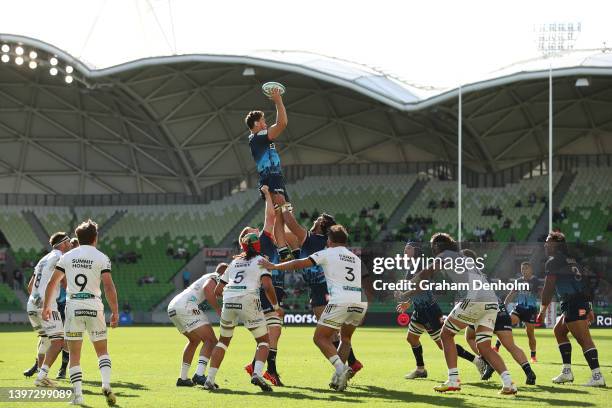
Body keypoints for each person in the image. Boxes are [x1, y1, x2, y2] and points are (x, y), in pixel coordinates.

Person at [259, 224, 370, 392]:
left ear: (329, 240)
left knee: (320, 338)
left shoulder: (327, 252)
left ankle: (342, 369)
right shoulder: (355, 257)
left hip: (341, 300)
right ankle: (338, 377)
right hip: (360, 300)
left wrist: (274, 266)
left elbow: (299, 263)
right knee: (345, 339)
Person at [402, 233, 517, 395]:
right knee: (484, 347)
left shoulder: (444, 255)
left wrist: (406, 289)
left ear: (437, 246)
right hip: (491, 301)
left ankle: (453, 380)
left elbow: (427, 272)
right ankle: (508, 383)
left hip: (474, 299)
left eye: (433, 246)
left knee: (445, 335)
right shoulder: (462, 257)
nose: (433, 249)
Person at [42, 220, 119, 406]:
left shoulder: (67, 257)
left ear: (78, 237)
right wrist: (115, 311)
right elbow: (108, 286)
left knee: (74, 356)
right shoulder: (102, 257)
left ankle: (78, 396)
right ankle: (106, 384)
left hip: (73, 307)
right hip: (94, 306)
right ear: (95, 238)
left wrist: (46, 306)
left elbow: (53, 283)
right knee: (102, 351)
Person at [281, 203, 364, 376]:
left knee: (326, 335)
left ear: (321, 225)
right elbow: (289, 234)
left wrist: (283, 206)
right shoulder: (319, 243)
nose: (315, 220)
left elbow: (291, 226)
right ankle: (352, 363)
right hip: (328, 288)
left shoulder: (310, 238)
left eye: (318, 220)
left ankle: (346, 367)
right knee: (335, 334)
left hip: (321, 289)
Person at [203, 233, 283, 392]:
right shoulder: (262, 260)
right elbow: (267, 286)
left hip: (229, 300)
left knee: (223, 341)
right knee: (264, 341)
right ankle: (257, 374)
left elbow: (218, 290)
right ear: (258, 245)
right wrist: (276, 307)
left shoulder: (234, 262)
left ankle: (209, 379)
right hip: (248, 300)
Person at [396, 243, 487, 380]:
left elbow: (423, 286)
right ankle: (420, 369)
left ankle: (477, 361)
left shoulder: (420, 264)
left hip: (430, 310)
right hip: (420, 309)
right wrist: (408, 303)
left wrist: (404, 295)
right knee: (412, 338)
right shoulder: (412, 266)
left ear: (417, 250)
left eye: (409, 247)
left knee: (443, 344)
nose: (405, 249)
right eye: (405, 247)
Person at [537, 231, 605, 387]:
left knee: (584, 340)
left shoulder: (553, 262)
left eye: (548, 241)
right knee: (559, 331)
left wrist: (542, 311)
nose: (545, 244)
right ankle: (567, 372)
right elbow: (585, 285)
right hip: (577, 302)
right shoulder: (573, 261)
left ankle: (597, 376)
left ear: (557, 244)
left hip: (573, 303)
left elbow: (548, 289)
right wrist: (589, 307)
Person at [24, 232, 72, 386]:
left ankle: (40, 373)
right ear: (63, 243)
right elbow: (65, 283)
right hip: (47, 306)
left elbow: (30, 286)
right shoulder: (61, 258)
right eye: (69, 242)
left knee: (45, 340)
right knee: (58, 342)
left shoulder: (43, 259)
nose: (71, 245)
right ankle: (42, 377)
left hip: (32, 305)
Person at [168, 263, 226, 387]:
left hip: (173, 307)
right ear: (224, 273)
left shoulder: (208, 276)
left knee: (194, 341)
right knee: (210, 340)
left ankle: (183, 378)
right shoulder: (217, 276)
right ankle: (199, 374)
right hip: (186, 305)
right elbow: (207, 288)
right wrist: (218, 309)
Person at [246, 87, 289, 204]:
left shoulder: (256, 138)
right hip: (272, 177)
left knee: (280, 215)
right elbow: (282, 124)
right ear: (256, 123)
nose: (265, 124)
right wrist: (278, 100)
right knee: (283, 213)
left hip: (273, 177)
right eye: (263, 121)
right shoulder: (259, 137)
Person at [500, 262, 540, 363]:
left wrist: (543, 308)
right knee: (506, 323)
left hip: (530, 309)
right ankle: (496, 347)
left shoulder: (535, 281)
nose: (524, 270)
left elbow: (541, 293)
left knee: (530, 333)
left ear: (531, 270)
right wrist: (503, 305)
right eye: (522, 269)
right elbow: (512, 294)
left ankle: (533, 355)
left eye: (526, 268)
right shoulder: (518, 281)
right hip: (519, 308)